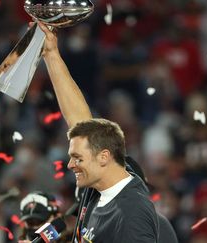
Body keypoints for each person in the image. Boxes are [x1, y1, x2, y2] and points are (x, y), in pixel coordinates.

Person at [37, 22, 160, 242]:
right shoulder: (102, 182)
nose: (70, 165)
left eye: (77, 158)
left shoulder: (131, 213)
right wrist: (51, 53)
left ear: (104, 157)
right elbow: (80, 121)